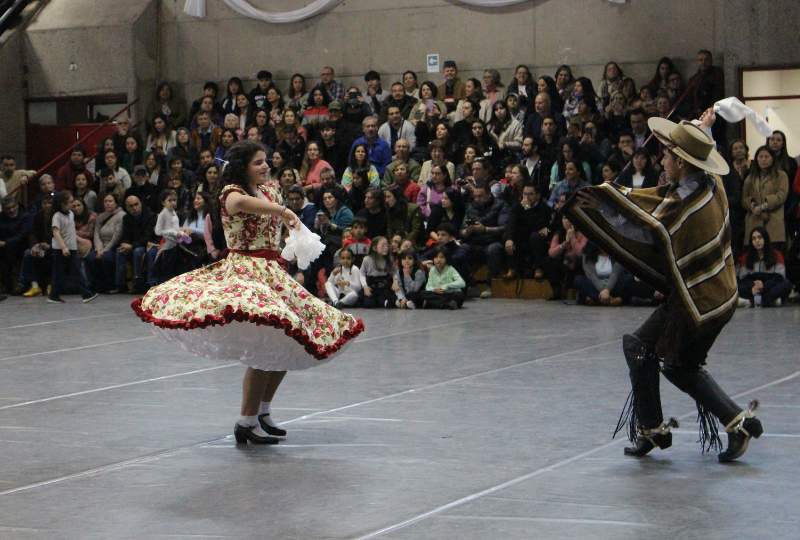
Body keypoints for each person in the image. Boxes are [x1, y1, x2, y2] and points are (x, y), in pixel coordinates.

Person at [132, 140, 364, 444]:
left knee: (288, 341)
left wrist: (291, 237)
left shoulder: (270, 191)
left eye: (265, 160)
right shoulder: (231, 193)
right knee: (265, 346)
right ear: (242, 167)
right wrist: (284, 211)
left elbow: (272, 222)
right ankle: (246, 420)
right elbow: (241, 204)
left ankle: (262, 412)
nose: (265, 166)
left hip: (272, 271)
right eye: (258, 162)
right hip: (245, 271)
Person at [568, 110, 763, 462]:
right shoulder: (710, 183)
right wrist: (703, 128)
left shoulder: (682, 205)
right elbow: (700, 151)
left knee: (646, 350)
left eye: (668, 155)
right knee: (673, 363)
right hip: (717, 296)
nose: (662, 160)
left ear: (682, 163)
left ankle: (658, 429)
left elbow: (644, 228)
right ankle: (735, 422)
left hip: (696, 300)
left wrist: (605, 205)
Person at [46, 192, 98, 304]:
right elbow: (56, 232)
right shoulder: (57, 216)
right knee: (61, 272)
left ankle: (84, 294)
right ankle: (85, 293)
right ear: (63, 204)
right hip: (61, 249)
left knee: (73, 271)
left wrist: (79, 242)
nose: (73, 204)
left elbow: (70, 231)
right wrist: (63, 247)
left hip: (72, 247)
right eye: (71, 202)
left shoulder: (70, 214)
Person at [460, 183, 509, 299]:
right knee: (460, 250)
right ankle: (471, 285)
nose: (477, 199)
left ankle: (491, 286)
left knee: (493, 249)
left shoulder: (501, 205)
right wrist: (466, 231)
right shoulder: (471, 207)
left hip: (492, 241)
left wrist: (485, 229)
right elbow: (461, 230)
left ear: (489, 194)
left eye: (480, 196)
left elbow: (504, 228)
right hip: (474, 242)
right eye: (475, 196)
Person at [742, 145, 789, 253]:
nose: (763, 159)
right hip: (754, 220)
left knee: (774, 254)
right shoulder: (750, 177)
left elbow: (781, 195)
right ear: (756, 159)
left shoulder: (781, 175)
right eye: (761, 156)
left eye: (767, 157)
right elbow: (744, 198)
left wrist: (763, 207)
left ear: (772, 159)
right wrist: (754, 208)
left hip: (773, 220)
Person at [503, 182, 552, 279]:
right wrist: (509, 239)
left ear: (538, 195)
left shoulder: (544, 208)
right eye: (525, 194)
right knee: (507, 237)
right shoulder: (516, 207)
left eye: (530, 194)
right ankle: (513, 268)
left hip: (535, 238)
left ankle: (539, 268)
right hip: (522, 237)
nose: (526, 197)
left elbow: (537, 226)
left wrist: (527, 208)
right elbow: (510, 224)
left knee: (536, 236)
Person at [737, 227, 792, 307]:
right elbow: (743, 278)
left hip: (769, 286)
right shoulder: (746, 257)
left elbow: (780, 277)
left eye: (760, 238)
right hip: (752, 287)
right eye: (754, 239)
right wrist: (753, 287)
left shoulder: (776, 255)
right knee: (736, 286)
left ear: (765, 239)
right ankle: (770, 301)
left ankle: (751, 302)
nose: (757, 241)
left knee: (787, 285)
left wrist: (764, 285)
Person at [115, 195, 159, 294]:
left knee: (137, 251)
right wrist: (124, 244)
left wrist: (131, 246)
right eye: (131, 206)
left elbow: (147, 237)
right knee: (120, 251)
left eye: (136, 204)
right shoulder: (126, 218)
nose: (134, 208)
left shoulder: (150, 216)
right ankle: (120, 284)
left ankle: (137, 283)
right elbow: (125, 235)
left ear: (140, 204)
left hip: (147, 244)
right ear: (127, 208)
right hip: (133, 244)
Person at [91, 193, 126, 292]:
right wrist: (99, 249)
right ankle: (98, 285)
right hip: (101, 245)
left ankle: (111, 284)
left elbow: (117, 236)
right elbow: (96, 233)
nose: (108, 204)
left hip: (113, 245)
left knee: (106, 258)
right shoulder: (100, 217)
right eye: (105, 202)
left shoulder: (121, 215)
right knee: (89, 258)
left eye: (110, 201)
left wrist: (105, 250)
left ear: (116, 203)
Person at [0, 196, 32, 293]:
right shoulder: (1, 218)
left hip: (21, 246)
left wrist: (6, 243)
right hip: (5, 245)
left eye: (13, 207)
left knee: (8, 253)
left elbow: (22, 235)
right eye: (8, 209)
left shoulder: (26, 217)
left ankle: (10, 285)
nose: (11, 210)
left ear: (17, 205)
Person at [420, 245, 466, 310]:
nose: (439, 260)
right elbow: (428, 287)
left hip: (449, 293)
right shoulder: (432, 270)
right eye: (436, 257)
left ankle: (434, 303)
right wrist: (434, 289)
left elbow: (462, 283)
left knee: (460, 295)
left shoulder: (450, 269)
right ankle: (446, 304)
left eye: (442, 257)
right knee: (423, 293)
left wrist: (447, 286)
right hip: (438, 294)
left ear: (446, 259)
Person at [358, 236, 399, 309]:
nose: (386, 248)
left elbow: (394, 272)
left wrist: (395, 281)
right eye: (383, 246)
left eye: (387, 245)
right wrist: (365, 286)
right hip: (371, 285)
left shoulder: (389, 259)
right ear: (374, 248)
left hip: (384, 285)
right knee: (369, 304)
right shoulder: (367, 259)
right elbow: (362, 274)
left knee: (389, 299)